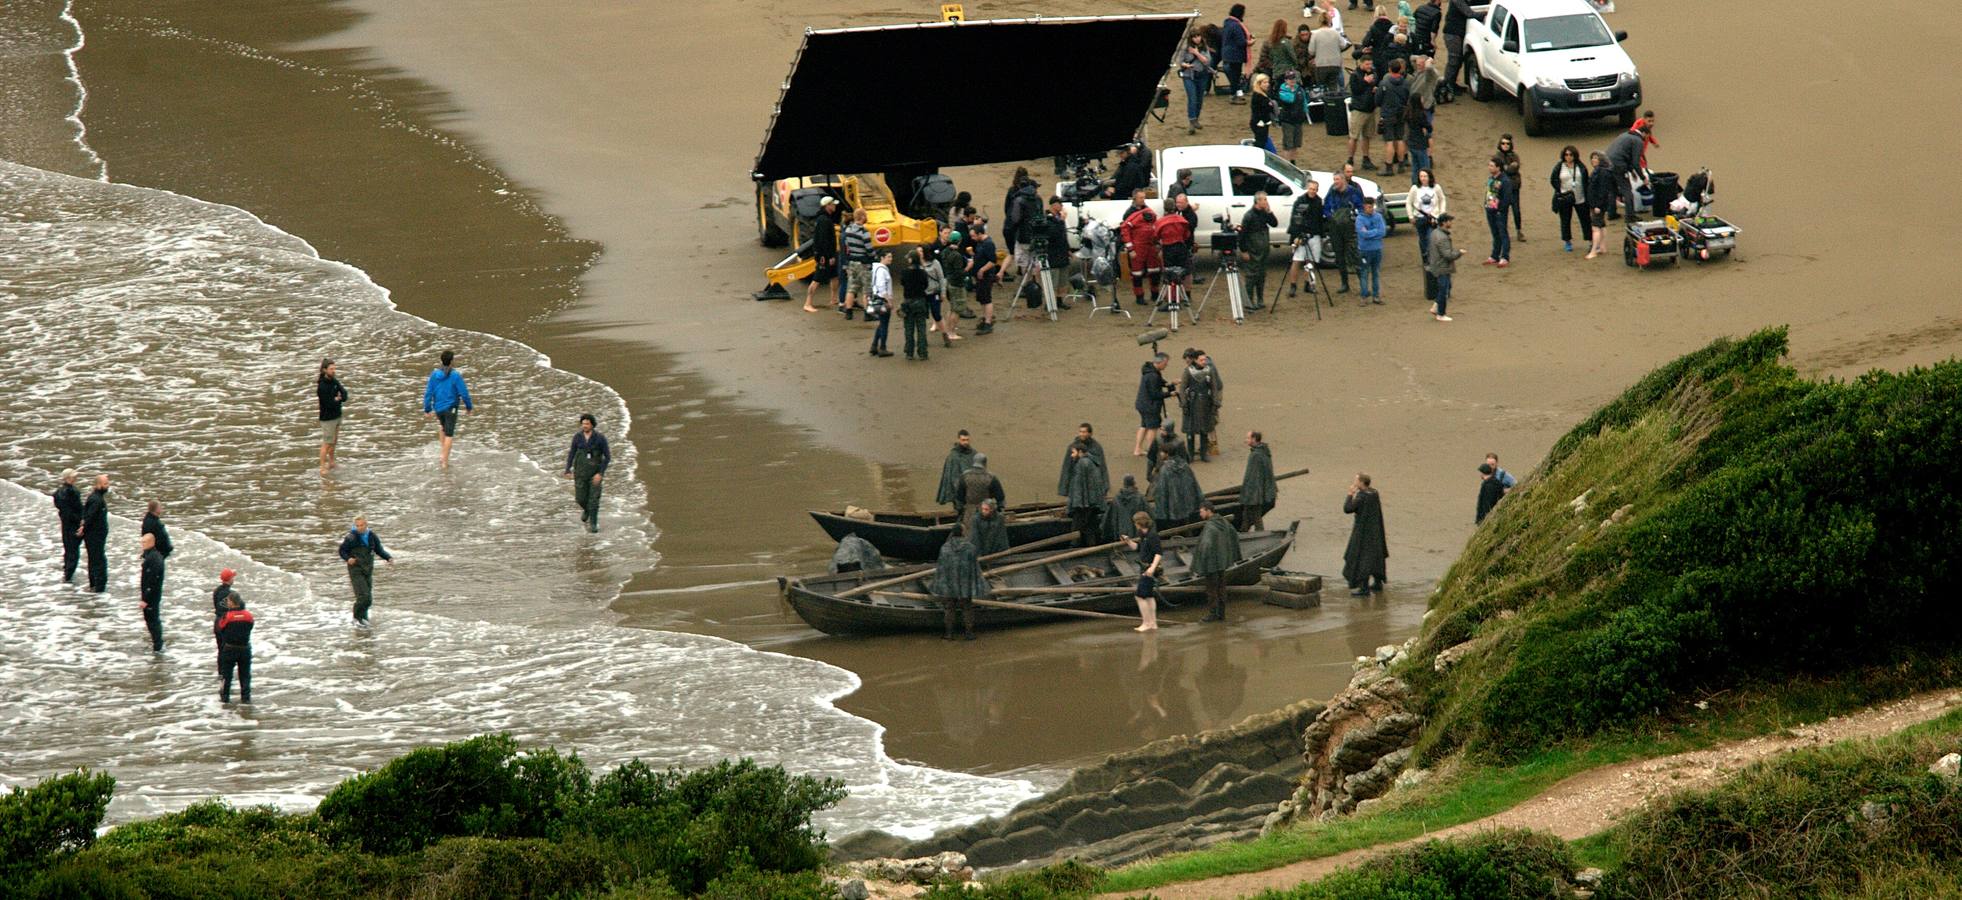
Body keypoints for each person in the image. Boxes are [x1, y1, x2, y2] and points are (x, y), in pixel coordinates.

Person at [930, 524, 985, 641]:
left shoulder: (944, 548)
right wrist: (978, 585)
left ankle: (949, 634)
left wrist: (938, 585)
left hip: (950, 582)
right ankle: (969, 633)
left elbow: (941, 568)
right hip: (965, 582)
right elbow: (975, 567)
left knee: (949, 607)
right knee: (967, 607)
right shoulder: (970, 548)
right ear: (963, 532)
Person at [1191, 501, 1242, 622]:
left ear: (1208, 511)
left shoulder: (1209, 526)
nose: (1200, 514)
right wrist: (1228, 554)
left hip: (1211, 564)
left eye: (1202, 511)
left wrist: (1199, 564)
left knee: (1212, 589)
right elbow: (1234, 534)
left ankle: (1213, 614)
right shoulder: (1222, 521)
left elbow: (1205, 546)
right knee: (1221, 587)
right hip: (1222, 562)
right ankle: (1222, 614)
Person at [422, 349, 474, 467]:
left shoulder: (434, 374)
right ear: (451, 361)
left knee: (442, 427)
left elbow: (428, 392)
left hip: (438, 408)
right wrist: (468, 406)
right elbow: (464, 393)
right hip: (451, 408)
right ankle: (444, 461)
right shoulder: (455, 375)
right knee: (449, 434)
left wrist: (427, 409)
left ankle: (443, 450)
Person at [338, 517, 394, 625]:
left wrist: (388, 558)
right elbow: (342, 550)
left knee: (368, 598)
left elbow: (379, 550)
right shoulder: (351, 537)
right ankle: (356, 619)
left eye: (361, 525)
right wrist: (348, 559)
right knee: (363, 596)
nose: (359, 528)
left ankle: (364, 619)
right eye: (357, 525)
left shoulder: (372, 536)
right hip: (356, 570)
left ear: (366, 525)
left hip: (368, 569)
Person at [1342, 473, 1388, 595]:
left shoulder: (1362, 497)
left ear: (1362, 483)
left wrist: (1350, 494)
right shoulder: (1374, 493)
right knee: (1375, 556)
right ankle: (1378, 583)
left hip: (1363, 533)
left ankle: (1364, 588)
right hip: (1375, 532)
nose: (1354, 482)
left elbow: (1347, 509)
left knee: (1361, 557)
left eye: (1356, 480)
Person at [563, 413, 611, 532]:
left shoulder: (600, 438)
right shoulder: (577, 437)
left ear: (592, 425)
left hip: (595, 474)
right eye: (583, 423)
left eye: (587, 424)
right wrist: (568, 469)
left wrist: (600, 473)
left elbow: (607, 457)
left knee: (594, 499)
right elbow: (572, 453)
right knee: (580, 498)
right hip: (580, 473)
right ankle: (587, 510)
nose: (584, 426)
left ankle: (593, 524)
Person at [1119, 511, 1164, 631]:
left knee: (1139, 596)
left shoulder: (1152, 536)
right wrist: (1128, 541)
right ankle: (1153, 623)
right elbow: (1138, 548)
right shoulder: (1143, 534)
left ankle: (1146, 623)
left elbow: (1158, 553)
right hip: (1145, 567)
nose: (1134, 525)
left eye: (1135, 523)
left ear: (1139, 523)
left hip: (1149, 568)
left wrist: (1152, 568)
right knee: (1148, 596)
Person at [1323, 172, 1364, 293]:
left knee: (1354, 255)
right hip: (1335, 228)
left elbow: (1361, 207)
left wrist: (1355, 217)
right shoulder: (1331, 191)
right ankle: (1344, 284)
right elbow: (1325, 207)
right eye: (1334, 179)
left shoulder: (1353, 192)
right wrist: (1331, 217)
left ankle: (1363, 285)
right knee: (1339, 256)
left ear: (1343, 180)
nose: (1335, 182)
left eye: (1337, 179)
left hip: (1350, 228)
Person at [1283, 178, 1325, 299]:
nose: (1312, 191)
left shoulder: (1318, 202)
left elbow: (1319, 220)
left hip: (1314, 235)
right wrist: (1296, 236)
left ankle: (1309, 284)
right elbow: (1295, 220)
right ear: (1307, 188)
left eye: (1315, 190)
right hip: (1301, 236)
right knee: (1297, 261)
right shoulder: (1300, 201)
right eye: (1311, 189)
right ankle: (1293, 285)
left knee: (1311, 262)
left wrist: (1321, 235)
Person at [1064, 441, 1110, 547]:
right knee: (1090, 527)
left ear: (1080, 452)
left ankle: (1074, 547)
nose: (1071, 455)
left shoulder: (1082, 464)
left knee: (1077, 527)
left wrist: (1076, 504)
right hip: (1092, 502)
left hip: (1084, 504)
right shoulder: (1091, 462)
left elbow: (1079, 487)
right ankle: (1092, 546)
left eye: (1073, 452)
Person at [802, 195, 843, 313]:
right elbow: (823, 240)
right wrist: (828, 256)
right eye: (833, 204)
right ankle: (808, 303)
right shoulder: (824, 221)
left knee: (834, 276)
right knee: (817, 279)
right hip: (824, 256)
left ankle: (834, 298)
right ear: (827, 206)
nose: (835, 206)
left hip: (828, 254)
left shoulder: (824, 219)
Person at [1180, 352, 1223, 462]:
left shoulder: (1209, 370)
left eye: (1205, 360)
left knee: (1205, 428)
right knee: (1191, 430)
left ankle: (1204, 454)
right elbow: (1183, 388)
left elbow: (1214, 387)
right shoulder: (1188, 371)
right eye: (1201, 360)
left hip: (1205, 403)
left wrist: (1215, 403)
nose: (1204, 362)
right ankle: (1190, 454)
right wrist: (1184, 404)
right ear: (1195, 360)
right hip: (1192, 403)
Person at [1152, 438, 1204, 528]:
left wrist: (1161, 511)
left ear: (1167, 454)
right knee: (1187, 524)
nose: (1160, 454)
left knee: (1176, 527)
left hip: (1174, 507)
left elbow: (1162, 491)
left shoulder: (1165, 470)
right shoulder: (1185, 465)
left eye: (1162, 452)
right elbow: (1194, 483)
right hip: (1187, 503)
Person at [1239, 193, 1278, 310]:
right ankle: (1249, 301)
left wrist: (1270, 212)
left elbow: (1274, 223)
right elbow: (1242, 235)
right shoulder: (1249, 216)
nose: (1266, 202)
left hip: (1263, 250)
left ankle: (1260, 300)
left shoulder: (1264, 213)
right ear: (1257, 201)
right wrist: (1244, 251)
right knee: (1251, 276)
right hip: (1252, 251)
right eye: (1264, 200)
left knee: (1262, 275)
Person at [1606, 121, 1653, 221]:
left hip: (1607, 164)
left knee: (1612, 190)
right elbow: (1636, 162)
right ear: (1645, 133)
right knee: (1627, 190)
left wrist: (1631, 171)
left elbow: (1624, 154)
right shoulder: (1638, 141)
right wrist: (1643, 178)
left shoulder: (1624, 135)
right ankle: (1630, 215)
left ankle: (1611, 213)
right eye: (1647, 136)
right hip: (1619, 166)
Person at [1410, 168, 1445, 299]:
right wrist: (1410, 216)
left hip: (1433, 218)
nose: (1423, 178)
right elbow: (1409, 202)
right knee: (1422, 240)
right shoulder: (1415, 189)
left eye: (1425, 176)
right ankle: (1426, 259)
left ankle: (1431, 258)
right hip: (1420, 218)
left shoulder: (1436, 188)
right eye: (1421, 176)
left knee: (1431, 238)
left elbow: (1442, 199)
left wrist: (1440, 213)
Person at [1121, 200, 1162, 311]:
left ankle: (1155, 294)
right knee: (1137, 273)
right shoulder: (1135, 218)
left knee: (1154, 271)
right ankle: (1139, 297)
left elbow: (1157, 230)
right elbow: (1125, 229)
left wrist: (1158, 244)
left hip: (1151, 246)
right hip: (1138, 247)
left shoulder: (1152, 216)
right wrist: (1130, 249)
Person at [215, 592, 254, 703]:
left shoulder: (227, 616)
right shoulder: (248, 616)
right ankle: (246, 699)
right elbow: (251, 626)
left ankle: (224, 698)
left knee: (226, 675)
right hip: (245, 648)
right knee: (245, 675)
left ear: (231, 603)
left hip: (230, 649)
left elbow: (220, 628)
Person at [1550, 145, 1590, 252]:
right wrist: (1560, 190)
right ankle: (1567, 241)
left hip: (1580, 197)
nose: (1568, 157)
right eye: (1566, 155)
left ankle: (1590, 240)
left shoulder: (1580, 166)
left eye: (1571, 155)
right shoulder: (1560, 166)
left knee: (1585, 219)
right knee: (1565, 220)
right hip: (1565, 198)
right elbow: (1553, 179)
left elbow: (1586, 180)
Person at [1155, 198, 1195, 304]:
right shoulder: (1182, 220)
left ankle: (1171, 299)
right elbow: (1187, 235)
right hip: (1181, 247)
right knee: (1186, 271)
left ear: (1164, 208)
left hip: (1168, 248)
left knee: (1169, 274)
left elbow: (1156, 236)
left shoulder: (1160, 222)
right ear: (1174, 207)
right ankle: (1187, 295)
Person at [1135, 353, 1176, 455]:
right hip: (1150, 405)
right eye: (1165, 363)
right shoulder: (1153, 375)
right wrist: (1170, 393)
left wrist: (1169, 383)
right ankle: (1152, 452)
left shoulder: (1149, 370)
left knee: (1144, 426)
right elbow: (1155, 394)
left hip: (1142, 404)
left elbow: (1160, 382)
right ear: (1160, 362)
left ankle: (1138, 449)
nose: (1166, 366)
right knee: (1152, 428)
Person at [1375, 59, 1411, 175]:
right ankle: (1401, 165)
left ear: (1389, 69)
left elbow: (1378, 100)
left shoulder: (1384, 83)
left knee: (1389, 141)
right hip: (1401, 113)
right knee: (1400, 139)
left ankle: (1389, 167)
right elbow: (1407, 97)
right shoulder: (1405, 83)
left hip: (1388, 114)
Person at [1426, 213, 1463, 321]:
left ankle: (1436, 307)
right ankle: (1441, 314)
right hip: (1442, 267)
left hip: (1436, 264)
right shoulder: (1442, 238)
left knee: (1447, 286)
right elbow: (1448, 255)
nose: (1451, 223)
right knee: (1444, 290)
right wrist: (1459, 253)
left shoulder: (1435, 233)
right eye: (1449, 221)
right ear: (1444, 222)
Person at [959, 453, 1005, 536]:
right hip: (986, 511)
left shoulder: (964, 476)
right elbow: (1000, 498)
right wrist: (1000, 511)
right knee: (986, 535)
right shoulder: (991, 477)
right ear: (985, 463)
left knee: (969, 535)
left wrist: (960, 511)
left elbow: (959, 497)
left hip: (969, 512)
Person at [1238, 431, 1277, 530]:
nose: (1245, 440)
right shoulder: (1264, 452)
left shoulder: (1255, 456)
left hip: (1254, 494)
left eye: (1248, 438)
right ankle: (1243, 533)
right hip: (1258, 492)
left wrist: (1249, 495)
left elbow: (1252, 478)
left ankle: (1257, 535)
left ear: (1254, 439)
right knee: (1246, 516)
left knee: (1256, 517)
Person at [1345, 58, 1379, 171]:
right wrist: (1365, 82)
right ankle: (1350, 159)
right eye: (1367, 63)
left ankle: (1366, 158)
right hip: (1359, 109)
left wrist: (1375, 89)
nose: (1370, 65)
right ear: (1361, 63)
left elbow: (1375, 85)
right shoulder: (1355, 75)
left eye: (1370, 63)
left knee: (1367, 136)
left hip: (1370, 109)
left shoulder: (1373, 73)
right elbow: (1355, 90)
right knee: (1353, 136)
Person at [965, 224, 999, 334]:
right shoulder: (980, 243)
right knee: (982, 298)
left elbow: (993, 260)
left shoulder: (988, 244)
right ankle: (985, 319)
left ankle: (988, 323)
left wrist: (982, 270)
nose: (972, 238)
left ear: (980, 234)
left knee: (986, 299)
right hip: (980, 276)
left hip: (986, 276)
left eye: (974, 236)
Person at [1178, 32, 1215, 134]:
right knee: (1192, 98)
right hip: (1188, 76)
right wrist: (1186, 65)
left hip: (1202, 75)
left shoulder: (1204, 48)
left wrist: (1196, 53)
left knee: (1199, 99)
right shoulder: (1185, 48)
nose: (1197, 39)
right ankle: (1192, 119)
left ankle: (1194, 121)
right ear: (1191, 38)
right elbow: (1180, 61)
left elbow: (1207, 61)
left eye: (1198, 36)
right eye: (1194, 37)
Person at [841, 209, 874, 318]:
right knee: (867, 289)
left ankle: (848, 312)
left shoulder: (848, 230)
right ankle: (867, 313)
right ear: (863, 217)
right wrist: (875, 257)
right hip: (863, 263)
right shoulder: (864, 233)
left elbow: (847, 247)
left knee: (851, 288)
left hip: (852, 262)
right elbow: (869, 250)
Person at [900, 249, 932, 361]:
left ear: (910, 259)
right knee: (921, 328)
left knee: (908, 328)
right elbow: (926, 285)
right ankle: (923, 352)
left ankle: (909, 352)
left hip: (908, 302)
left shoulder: (904, 272)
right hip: (921, 301)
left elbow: (902, 283)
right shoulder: (923, 272)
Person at [1058, 422, 1107, 497]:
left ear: (1090, 433)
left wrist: (1104, 486)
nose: (1081, 434)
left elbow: (1101, 466)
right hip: (1077, 482)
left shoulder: (1096, 447)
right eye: (1080, 432)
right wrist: (1064, 489)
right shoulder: (1073, 446)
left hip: (1092, 483)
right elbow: (1067, 467)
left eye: (1084, 432)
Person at [1355, 196, 1388, 305]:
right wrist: (1375, 232)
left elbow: (1383, 232)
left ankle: (1376, 296)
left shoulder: (1378, 216)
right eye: (1369, 207)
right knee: (1364, 273)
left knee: (1376, 273)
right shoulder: (1359, 219)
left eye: (1372, 207)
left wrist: (1370, 233)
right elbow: (1363, 234)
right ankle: (1364, 297)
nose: (1371, 209)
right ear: (1364, 207)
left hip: (1377, 249)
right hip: (1365, 250)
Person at [53, 469, 84, 584]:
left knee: (68, 549)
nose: (75, 479)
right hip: (73, 524)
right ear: (67, 478)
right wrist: (81, 520)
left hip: (65, 524)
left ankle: (67, 574)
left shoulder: (59, 492)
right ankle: (68, 577)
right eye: (73, 477)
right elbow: (74, 510)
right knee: (73, 552)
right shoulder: (71, 492)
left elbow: (63, 510)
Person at [80, 474, 110, 593]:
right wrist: (84, 526)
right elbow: (90, 516)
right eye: (105, 484)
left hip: (94, 535)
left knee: (93, 559)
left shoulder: (94, 497)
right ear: (98, 485)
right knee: (98, 560)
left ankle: (94, 584)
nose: (108, 486)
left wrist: (84, 525)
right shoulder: (97, 500)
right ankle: (99, 586)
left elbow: (86, 514)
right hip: (95, 535)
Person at [1308, 11, 1347, 99]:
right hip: (1335, 64)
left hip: (1321, 65)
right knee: (1333, 87)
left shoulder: (1315, 34)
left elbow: (1311, 51)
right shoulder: (1335, 33)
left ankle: (1324, 107)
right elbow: (1343, 45)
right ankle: (1333, 106)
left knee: (1322, 88)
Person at [1439, 0, 1474, 101]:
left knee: (1458, 61)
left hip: (1457, 33)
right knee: (1454, 61)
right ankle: (1447, 87)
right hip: (1452, 34)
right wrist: (1486, 13)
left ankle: (1452, 84)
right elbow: (1469, 13)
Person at [318, 358, 347, 475]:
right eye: (331, 369)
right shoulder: (322, 386)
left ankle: (331, 462)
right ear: (325, 370)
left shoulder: (334, 381)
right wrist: (337, 399)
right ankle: (322, 467)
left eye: (334, 369)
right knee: (327, 443)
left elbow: (344, 394)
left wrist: (338, 399)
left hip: (337, 415)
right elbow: (328, 403)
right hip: (327, 418)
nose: (334, 371)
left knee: (334, 441)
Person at [1482, 159, 1514, 267]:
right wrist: (1486, 205)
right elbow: (1488, 192)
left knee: (1502, 233)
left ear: (1498, 167)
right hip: (1490, 209)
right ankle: (1495, 255)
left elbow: (1507, 198)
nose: (1489, 167)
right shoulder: (1491, 178)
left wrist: (1501, 210)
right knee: (1495, 234)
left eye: (1492, 166)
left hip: (1499, 212)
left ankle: (1505, 256)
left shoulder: (1505, 181)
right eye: (1489, 165)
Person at [1584, 152, 1615, 259]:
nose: (1593, 160)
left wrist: (1598, 205)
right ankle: (1602, 247)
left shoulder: (1601, 172)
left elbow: (1602, 190)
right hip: (1599, 204)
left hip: (1598, 204)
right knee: (1601, 225)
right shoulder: (1602, 171)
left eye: (1596, 158)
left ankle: (1594, 251)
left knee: (1595, 228)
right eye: (1592, 158)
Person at [1274, 68, 1308, 163]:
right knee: (1288, 144)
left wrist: (1305, 111)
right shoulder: (1282, 90)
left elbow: (1304, 101)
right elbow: (1290, 99)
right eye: (1290, 78)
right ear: (1285, 80)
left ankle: (1293, 162)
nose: (1292, 80)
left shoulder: (1300, 89)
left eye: (1293, 78)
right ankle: (1286, 163)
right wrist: (1292, 91)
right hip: (1287, 120)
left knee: (1296, 143)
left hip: (1298, 119)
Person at [139, 532, 166, 653]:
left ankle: (158, 645)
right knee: (152, 620)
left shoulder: (153, 558)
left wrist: (145, 599)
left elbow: (152, 581)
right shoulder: (152, 556)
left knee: (152, 620)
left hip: (152, 596)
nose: (142, 544)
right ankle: (157, 643)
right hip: (152, 594)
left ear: (151, 542)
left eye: (144, 542)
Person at [1494, 135, 1524, 241]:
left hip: (1514, 187)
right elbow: (1500, 169)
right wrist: (1509, 167)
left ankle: (1519, 231)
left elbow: (1514, 167)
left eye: (1507, 143)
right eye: (1503, 143)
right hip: (1502, 189)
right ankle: (1503, 232)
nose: (1505, 145)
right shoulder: (1497, 156)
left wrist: (1508, 168)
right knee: (1503, 210)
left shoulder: (1514, 155)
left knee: (1516, 210)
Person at [938, 430, 977, 510]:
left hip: (973, 490)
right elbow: (953, 478)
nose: (966, 442)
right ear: (959, 440)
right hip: (959, 491)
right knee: (961, 511)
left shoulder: (974, 454)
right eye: (963, 440)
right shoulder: (953, 456)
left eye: (967, 440)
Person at [867, 248, 895, 358]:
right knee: (884, 324)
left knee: (881, 323)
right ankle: (882, 348)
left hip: (875, 298)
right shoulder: (882, 271)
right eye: (888, 257)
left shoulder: (875, 268)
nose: (891, 259)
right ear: (882, 258)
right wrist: (889, 301)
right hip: (882, 300)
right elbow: (882, 288)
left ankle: (874, 346)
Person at [1106, 475, 1150, 541]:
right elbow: (1149, 515)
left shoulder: (1116, 499)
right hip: (1137, 536)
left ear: (1124, 483)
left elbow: (1110, 518)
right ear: (1134, 483)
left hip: (1121, 535)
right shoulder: (1140, 498)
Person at [1221, 5, 1250, 102]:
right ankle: (1234, 95)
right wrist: (1250, 42)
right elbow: (1241, 42)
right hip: (1235, 56)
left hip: (1227, 54)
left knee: (1233, 76)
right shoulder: (1236, 25)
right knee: (1235, 76)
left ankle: (1235, 94)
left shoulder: (1227, 23)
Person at [1248, 73, 1276, 153]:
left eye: (1267, 82)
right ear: (1259, 83)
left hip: (1263, 122)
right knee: (1260, 143)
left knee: (1262, 141)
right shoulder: (1258, 95)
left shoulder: (1264, 94)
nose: (1267, 84)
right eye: (1264, 82)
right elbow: (1258, 110)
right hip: (1259, 123)